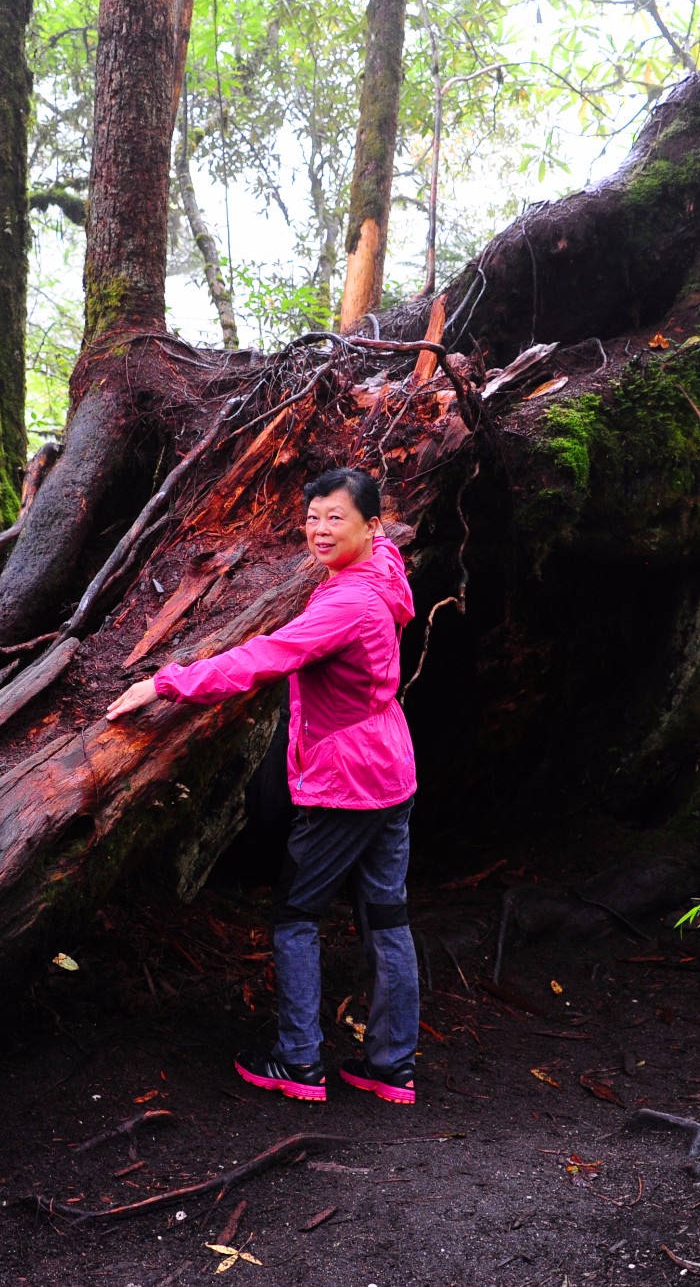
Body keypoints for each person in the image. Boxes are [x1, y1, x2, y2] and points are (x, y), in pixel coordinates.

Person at [106, 467, 420, 1104]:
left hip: (347, 780)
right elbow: (385, 553)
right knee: (387, 916)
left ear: (371, 524)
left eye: (336, 517)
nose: (320, 530)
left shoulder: (345, 604)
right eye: (313, 517)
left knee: (295, 916)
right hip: (392, 768)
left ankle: (298, 1061)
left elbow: (265, 657)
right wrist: (373, 537)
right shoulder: (385, 572)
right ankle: (392, 1067)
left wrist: (167, 681)